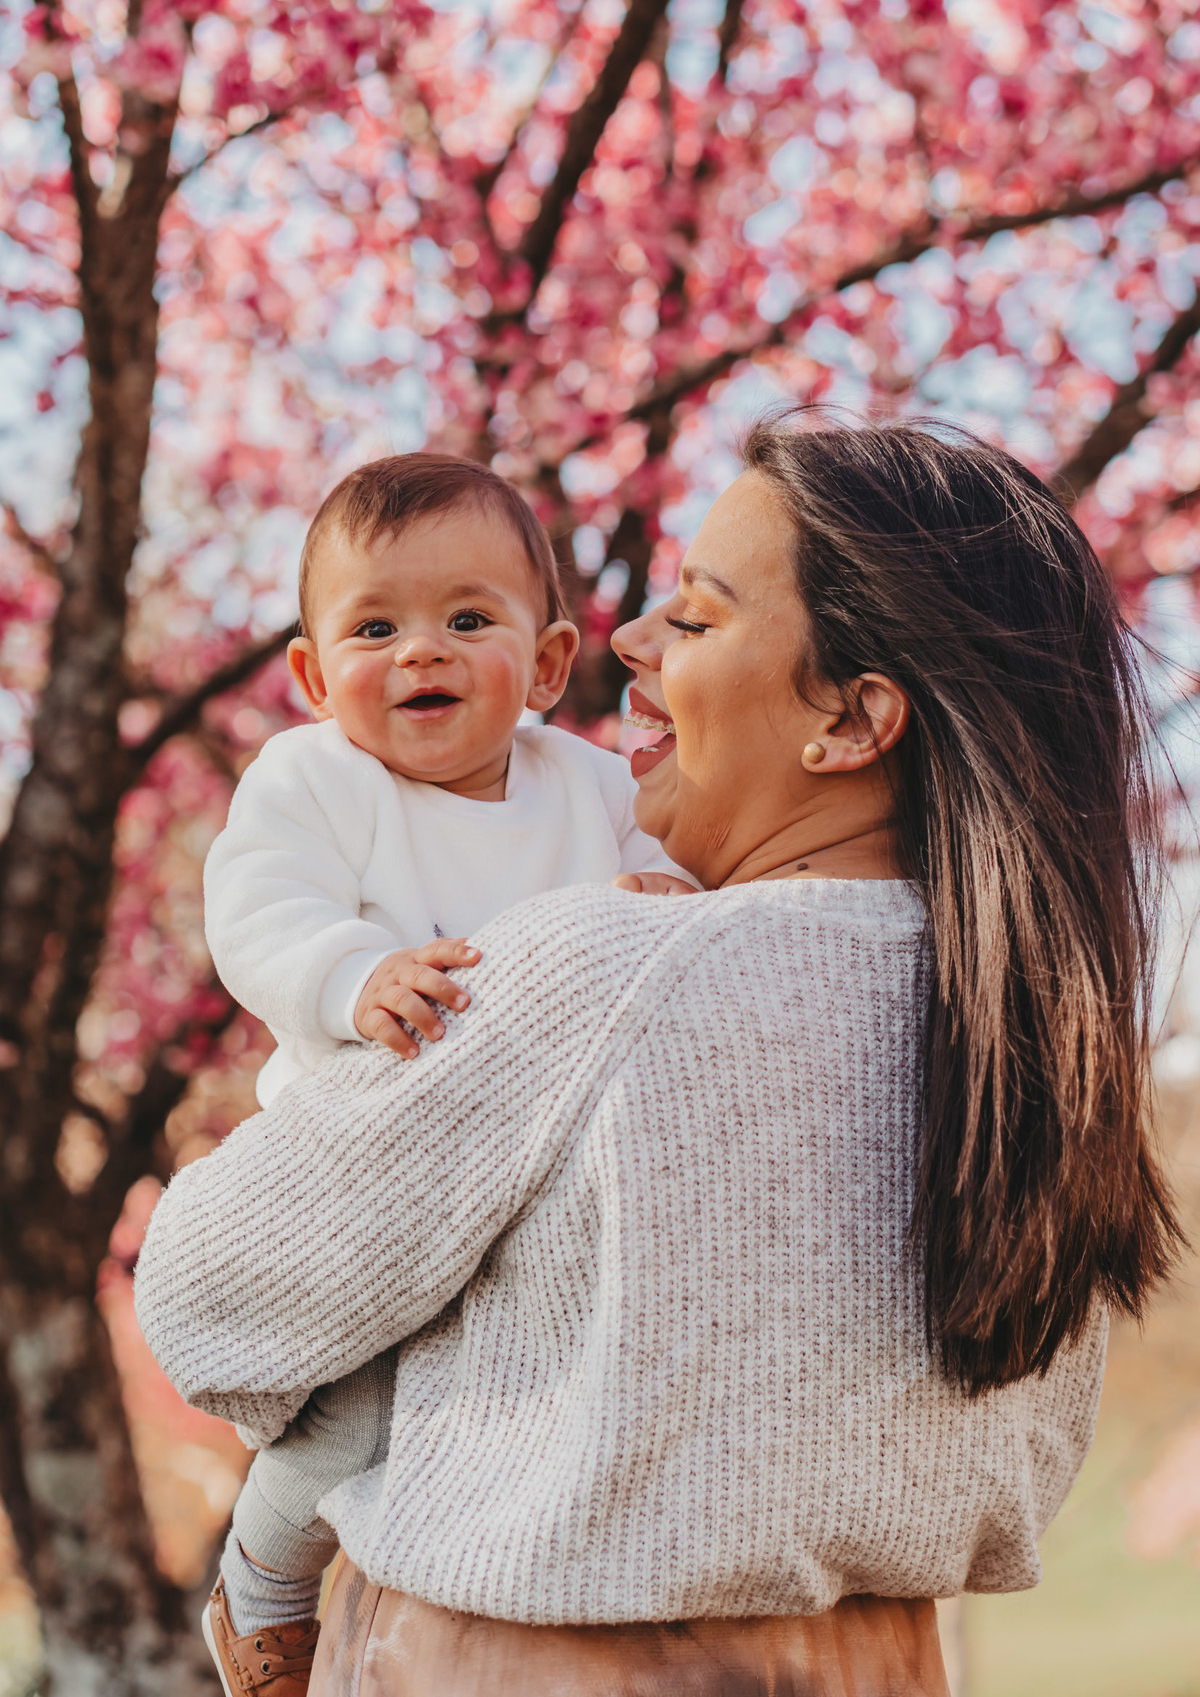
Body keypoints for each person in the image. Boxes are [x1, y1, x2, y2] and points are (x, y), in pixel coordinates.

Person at [135, 418, 1180, 1697]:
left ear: (852, 721)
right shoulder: (1043, 1044)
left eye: (693, 618)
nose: (629, 641)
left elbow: (212, 1303)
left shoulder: (600, 970)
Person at [199, 452, 693, 1689]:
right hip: (364, 1162)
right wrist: (350, 974)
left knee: (511, 1396)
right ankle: (261, 1577)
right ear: (314, 675)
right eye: (376, 627)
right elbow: (257, 908)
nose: (421, 652)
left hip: (535, 1178)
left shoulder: (588, 781)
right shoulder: (315, 779)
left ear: (544, 662)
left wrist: (664, 895)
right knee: (360, 1410)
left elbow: (673, 870)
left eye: (468, 620)